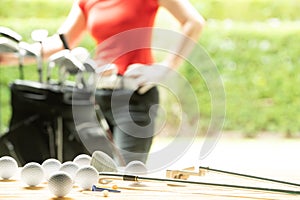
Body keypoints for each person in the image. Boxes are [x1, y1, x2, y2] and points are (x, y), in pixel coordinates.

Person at [1, 0, 205, 165]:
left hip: (134, 98)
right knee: (94, 173)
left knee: (126, 176)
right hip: (96, 96)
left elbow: (193, 22)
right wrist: (13, 56)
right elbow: (64, 41)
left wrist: (167, 66)